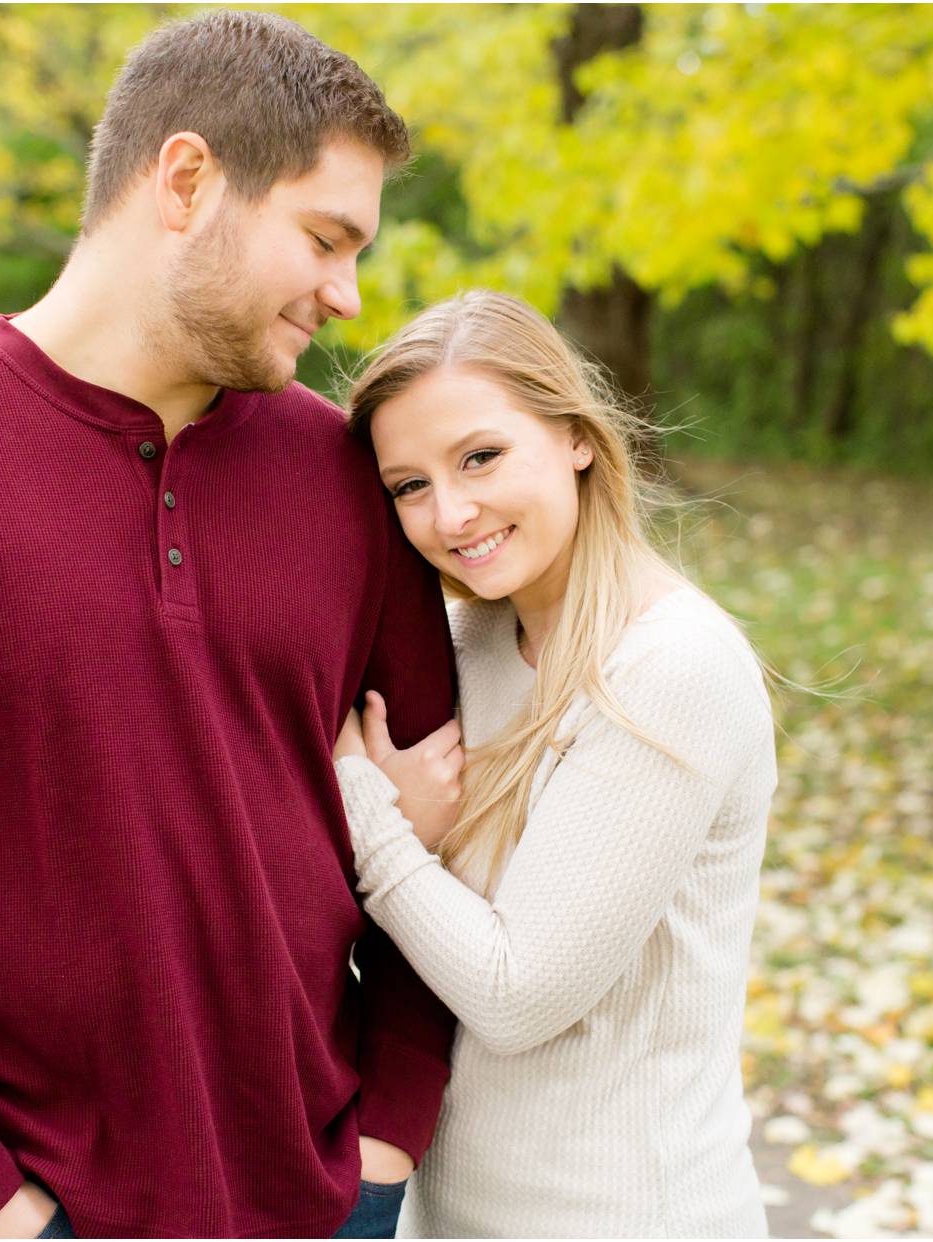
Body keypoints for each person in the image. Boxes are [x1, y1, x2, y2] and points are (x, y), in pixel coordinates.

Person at [0, 12, 458, 1239]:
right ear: (185, 180)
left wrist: (386, 1132)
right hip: (19, 1207)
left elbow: (453, 813)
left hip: (320, 1196)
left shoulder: (344, 481)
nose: (348, 293)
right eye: (325, 239)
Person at [330, 290, 777, 1237]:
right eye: (409, 486)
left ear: (575, 435)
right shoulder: (467, 639)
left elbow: (515, 993)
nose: (451, 513)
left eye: (480, 457)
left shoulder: (668, 667)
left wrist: (366, 813)